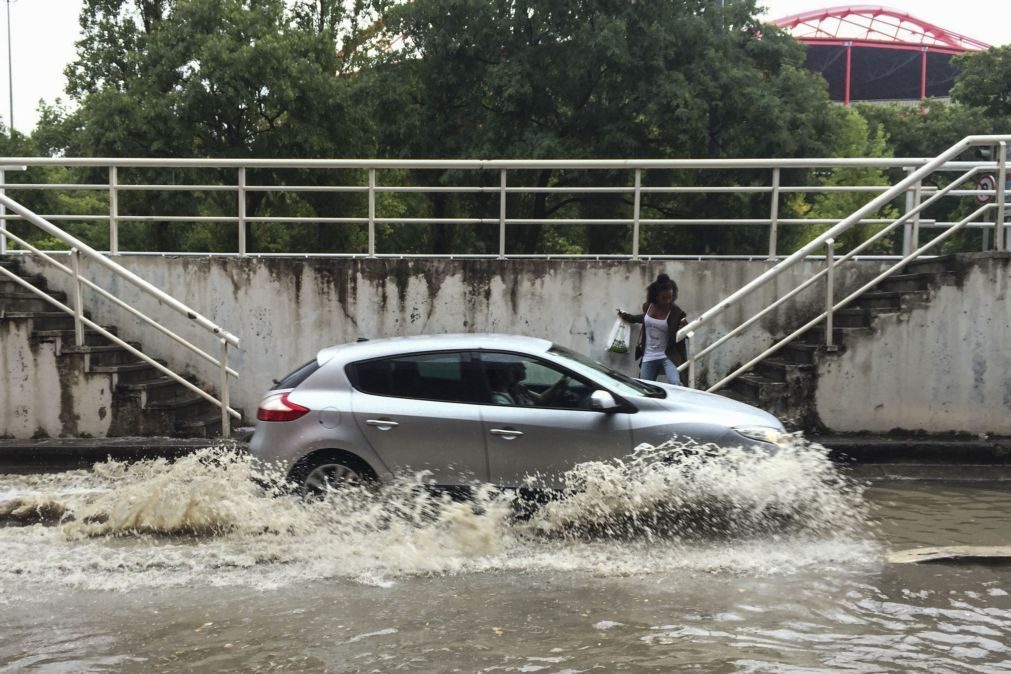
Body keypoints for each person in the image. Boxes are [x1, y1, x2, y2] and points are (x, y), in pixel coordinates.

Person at [617, 273, 688, 385]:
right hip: (649, 355)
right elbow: (645, 319)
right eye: (664, 298)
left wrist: (684, 326)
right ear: (655, 296)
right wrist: (627, 317)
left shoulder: (675, 312)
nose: (668, 301)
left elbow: (684, 329)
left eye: (670, 297)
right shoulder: (648, 307)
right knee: (644, 386)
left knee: (675, 383)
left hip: (668, 355)